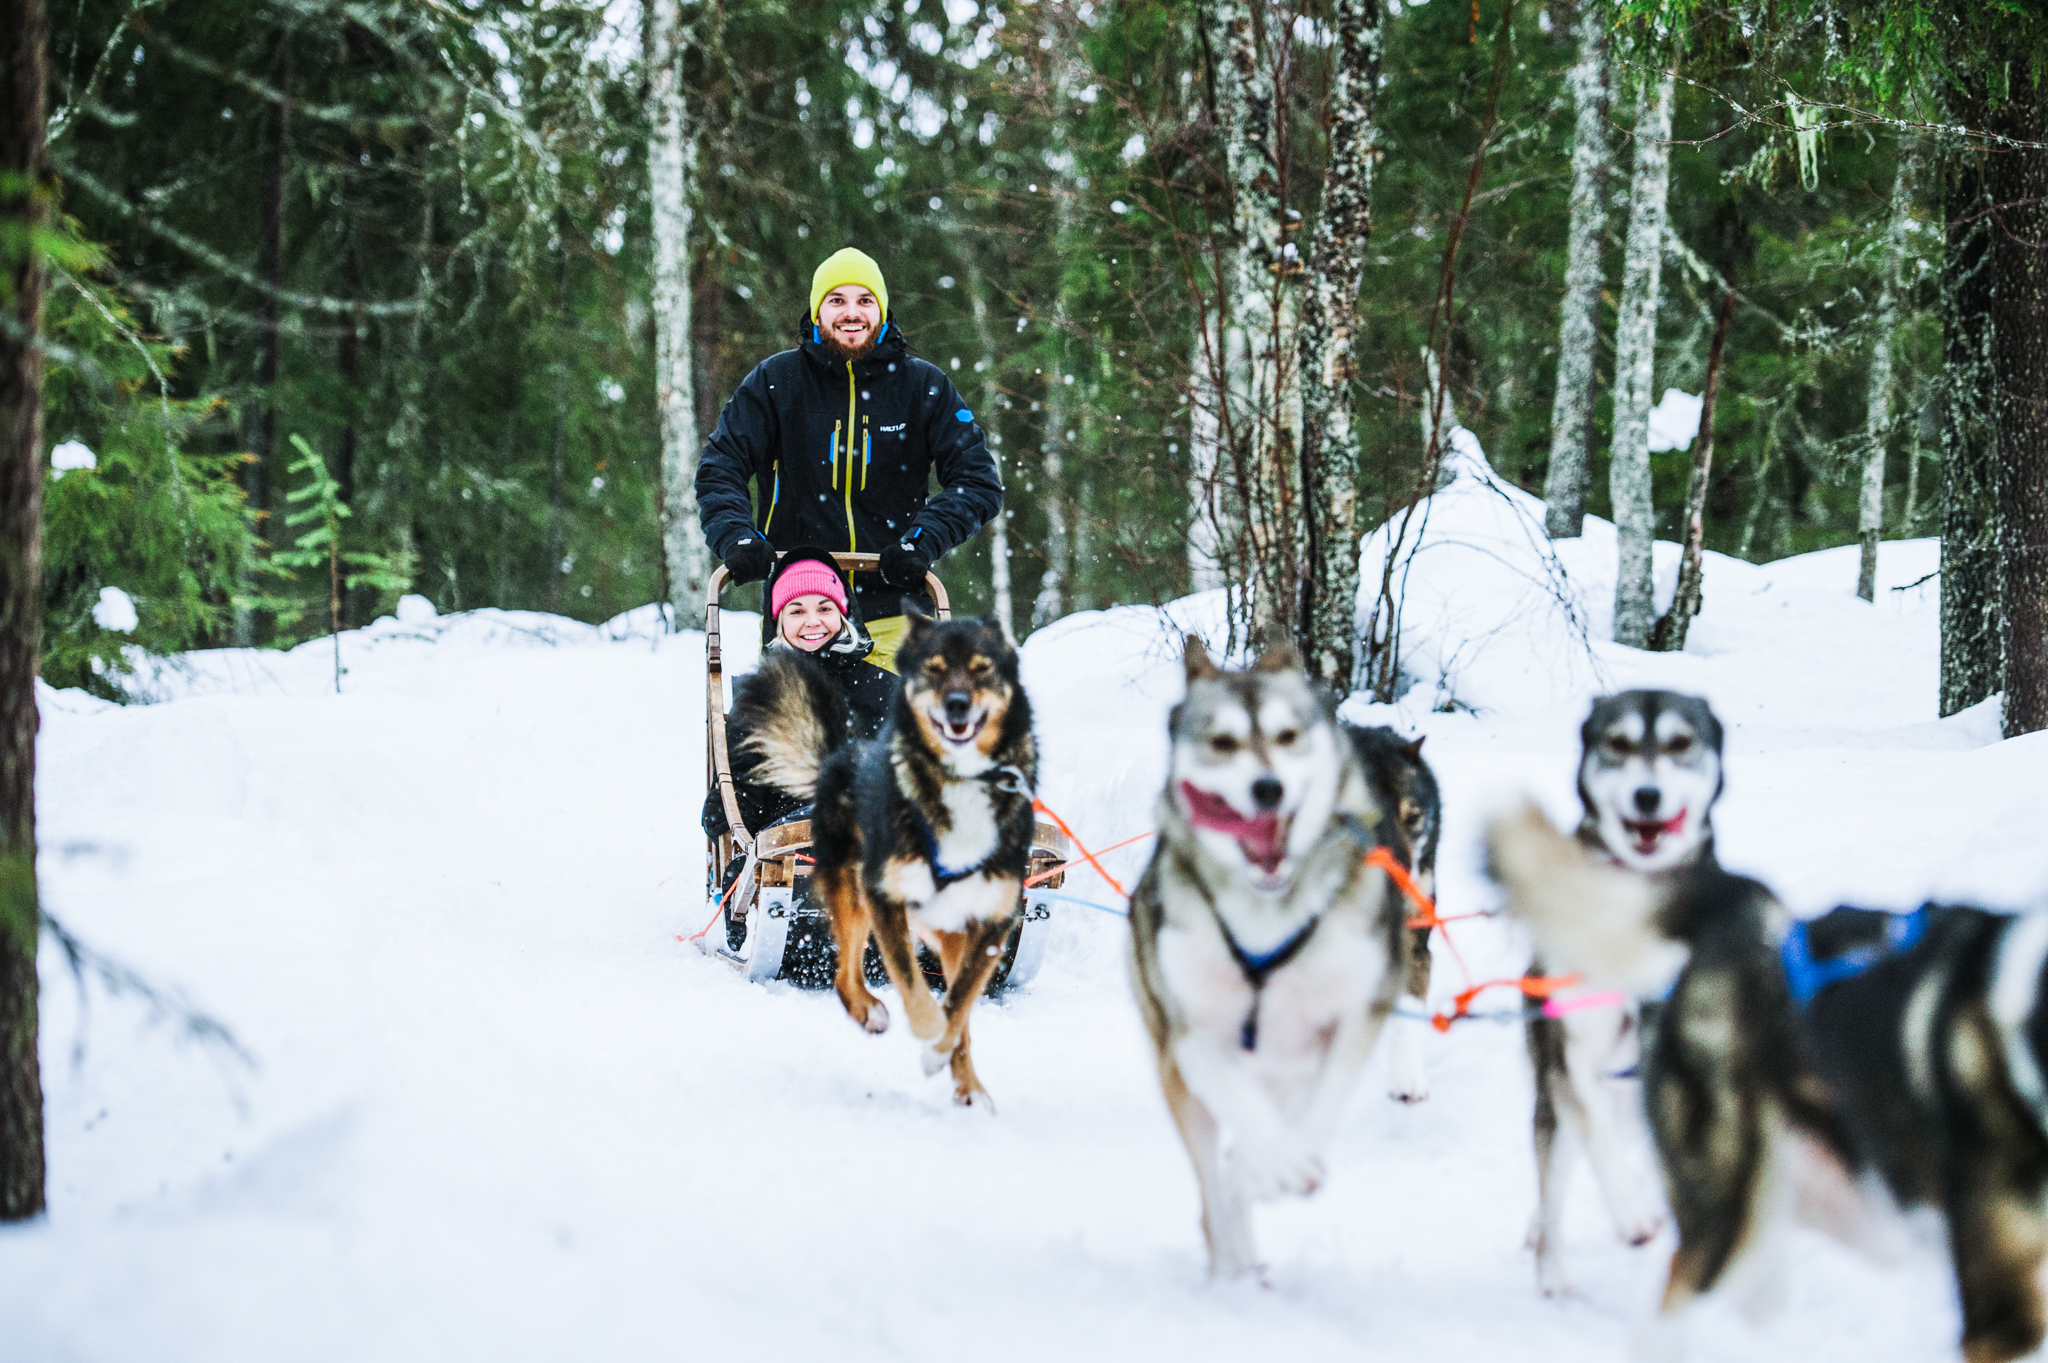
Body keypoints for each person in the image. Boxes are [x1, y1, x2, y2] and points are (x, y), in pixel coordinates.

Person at [695, 246, 1002, 673]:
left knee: (899, 737)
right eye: (836, 300)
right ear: (817, 311)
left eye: (865, 300)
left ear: (883, 309)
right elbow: (720, 466)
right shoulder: (776, 382)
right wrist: (737, 537)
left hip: (896, 606)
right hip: (801, 609)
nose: (851, 313)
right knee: (798, 736)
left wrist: (921, 540)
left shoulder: (922, 386)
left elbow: (978, 481)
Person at [702, 546, 896, 840]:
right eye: (797, 611)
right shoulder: (763, 695)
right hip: (786, 837)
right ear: (779, 622)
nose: (813, 621)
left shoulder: (882, 686)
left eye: (825, 608)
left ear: (843, 615)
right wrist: (731, 802)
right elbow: (747, 779)